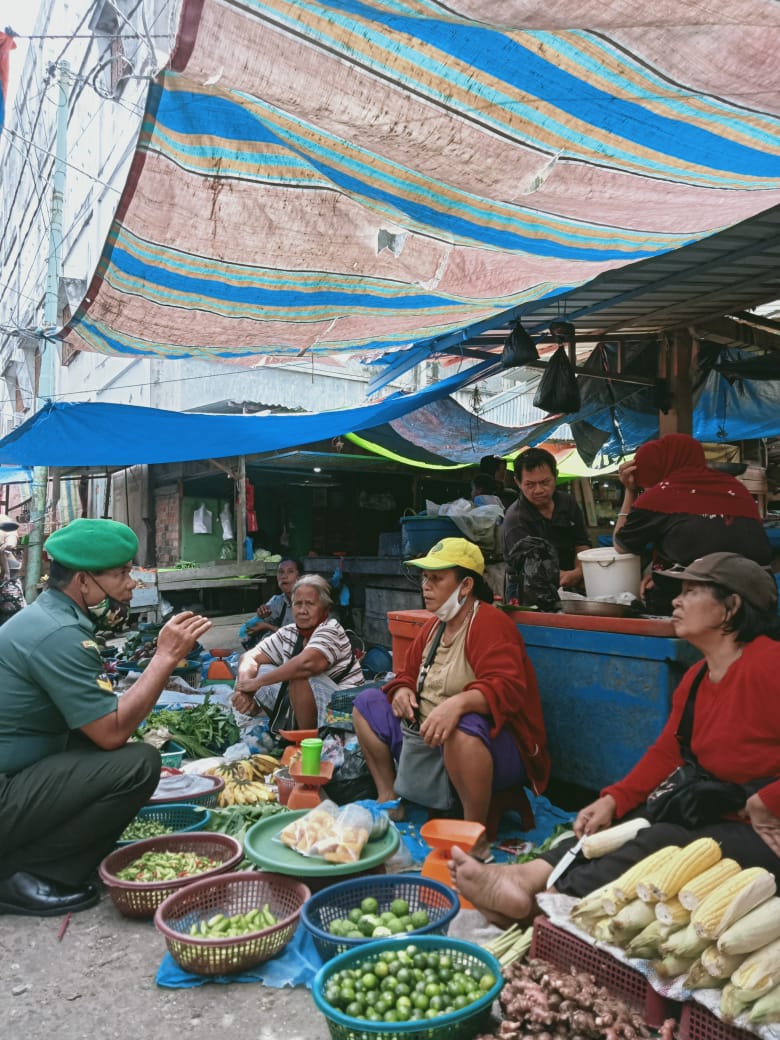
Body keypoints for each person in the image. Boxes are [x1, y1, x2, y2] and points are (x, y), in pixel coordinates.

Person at [450, 552, 780, 926]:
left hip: (764, 835)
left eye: (690, 592)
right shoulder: (697, 679)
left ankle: (550, 904)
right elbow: (669, 750)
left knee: (663, 838)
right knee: (623, 822)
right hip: (712, 809)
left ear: (730, 608)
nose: (675, 600)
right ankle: (526, 877)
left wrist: (769, 800)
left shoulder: (770, 665)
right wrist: (613, 798)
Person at [0, 518, 211, 917]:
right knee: (136, 763)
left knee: (93, 746)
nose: (131, 582)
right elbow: (112, 733)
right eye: (120, 573)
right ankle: (29, 875)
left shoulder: (52, 617)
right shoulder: (58, 633)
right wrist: (164, 658)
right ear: (82, 582)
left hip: (15, 773)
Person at [351, 538, 549, 859]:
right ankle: (390, 797)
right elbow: (405, 674)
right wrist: (402, 690)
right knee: (366, 705)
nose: (426, 587)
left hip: (492, 746)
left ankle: (476, 835)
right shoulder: (434, 627)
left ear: (466, 585)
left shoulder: (489, 623)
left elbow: (508, 688)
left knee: (463, 726)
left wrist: (458, 705)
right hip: (429, 738)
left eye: (437, 579)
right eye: (425, 579)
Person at [614, 433, 772, 615]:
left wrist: (630, 491)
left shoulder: (661, 495)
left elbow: (621, 546)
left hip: (705, 607)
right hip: (758, 600)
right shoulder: (737, 489)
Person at [232, 573, 364, 730]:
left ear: (325, 610)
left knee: (298, 675)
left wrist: (257, 683)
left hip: (345, 711)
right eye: (297, 604)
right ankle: (261, 714)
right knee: (259, 669)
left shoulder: (331, 629)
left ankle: (306, 741)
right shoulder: (290, 632)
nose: (302, 610)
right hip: (312, 705)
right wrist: (245, 690)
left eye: (310, 604)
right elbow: (250, 657)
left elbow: (306, 664)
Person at [502, 447, 591, 606]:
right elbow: (533, 572)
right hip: (528, 591)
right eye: (530, 484)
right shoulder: (516, 520)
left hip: (570, 585)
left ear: (555, 476)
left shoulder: (567, 503)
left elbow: (581, 542)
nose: (538, 490)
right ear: (518, 482)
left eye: (544, 482)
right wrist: (567, 578)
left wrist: (578, 572)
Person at [238, 557, 303, 650]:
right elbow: (251, 627)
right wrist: (261, 616)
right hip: (282, 647)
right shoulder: (278, 600)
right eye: (281, 572)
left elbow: (298, 638)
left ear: (299, 577)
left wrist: (268, 626)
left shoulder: (306, 602)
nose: (284, 576)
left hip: (302, 650)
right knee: (246, 629)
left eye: (290, 571)